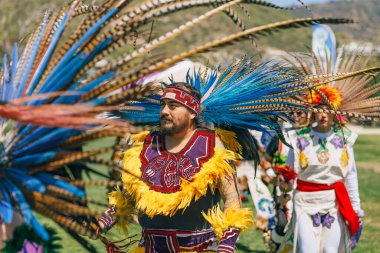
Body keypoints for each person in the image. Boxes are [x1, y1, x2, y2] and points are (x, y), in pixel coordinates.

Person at [97, 83, 254, 252]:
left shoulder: (211, 145)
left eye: (173, 106)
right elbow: (128, 197)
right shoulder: (146, 145)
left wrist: (226, 246)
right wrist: (101, 222)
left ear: (193, 112)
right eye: (163, 105)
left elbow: (232, 200)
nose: (164, 111)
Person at [279, 85, 362, 253]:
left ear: (335, 112)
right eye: (320, 109)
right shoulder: (299, 138)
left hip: (333, 203)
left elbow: (351, 175)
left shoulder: (344, 140)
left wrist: (356, 207)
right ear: (313, 112)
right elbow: (288, 173)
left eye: (328, 109)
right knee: (308, 250)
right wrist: (284, 190)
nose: (324, 114)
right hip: (304, 202)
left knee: (330, 250)